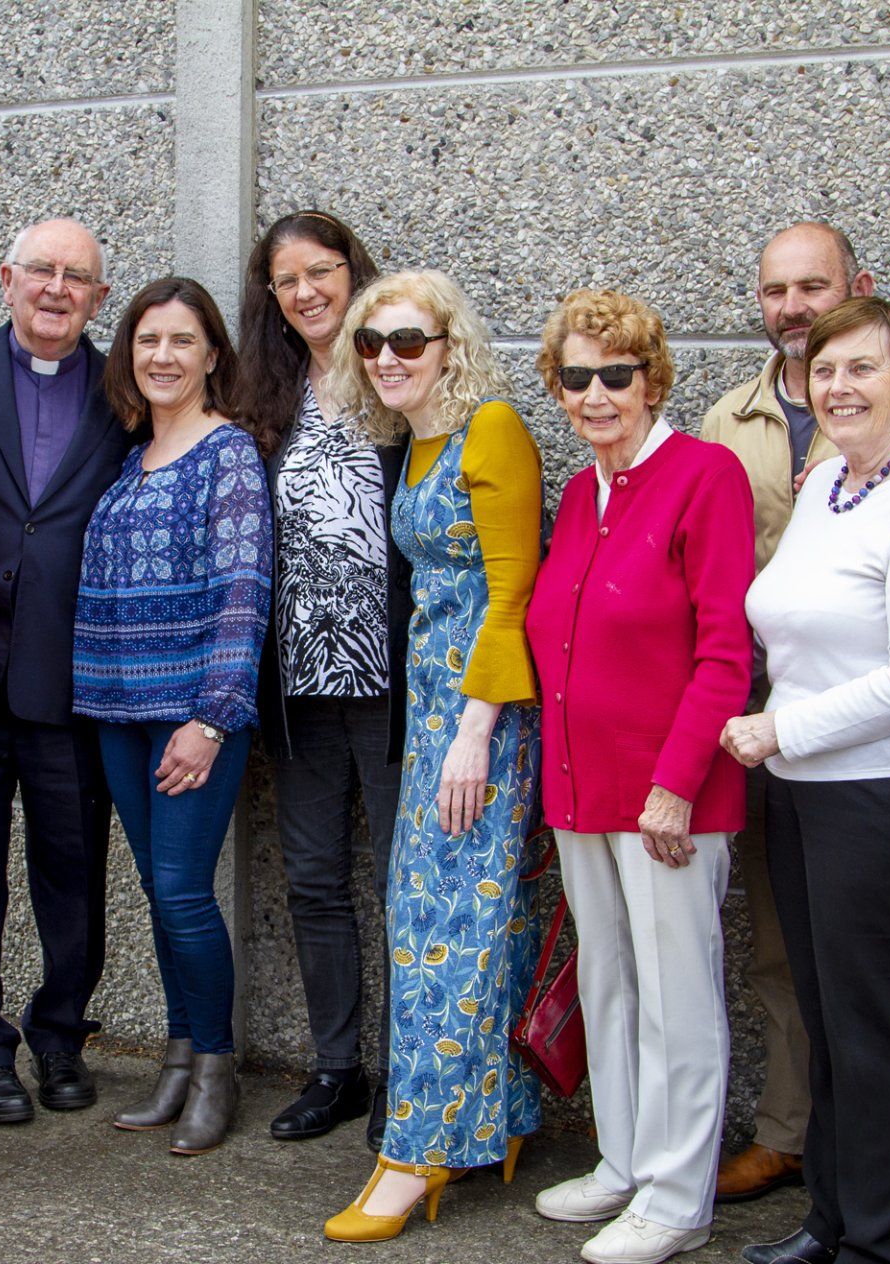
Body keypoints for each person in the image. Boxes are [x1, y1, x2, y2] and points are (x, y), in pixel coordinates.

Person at [699, 221, 890, 1204]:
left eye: (813, 288)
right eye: (776, 291)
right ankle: (819, 1183)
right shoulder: (773, 450)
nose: (794, 310)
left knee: (874, 1006)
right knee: (801, 975)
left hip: (882, 763)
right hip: (784, 748)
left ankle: (877, 1217)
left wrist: (787, 728)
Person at [529, 291, 755, 1264]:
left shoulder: (706, 476)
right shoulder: (584, 493)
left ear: (653, 379)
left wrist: (675, 784)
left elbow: (723, 653)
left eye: (614, 374)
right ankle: (624, 1159)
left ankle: (677, 1194)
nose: (594, 393)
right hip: (582, 789)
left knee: (677, 995)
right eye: (575, 377)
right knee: (611, 982)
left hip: (671, 798)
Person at [320, 271, 543, 1243]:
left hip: (479, 718)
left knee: (441, 926)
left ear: (450, 342)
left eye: (408, 339)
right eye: (371, 344)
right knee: (463, 916)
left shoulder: (490, 427)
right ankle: (498, 1122)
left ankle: (416, 1154)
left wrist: (474, 731)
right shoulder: (420, 441)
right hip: (437, 713)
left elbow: (512, 590)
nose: (388, 358)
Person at [0, 218, 129, 1123]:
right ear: (6, 279)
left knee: (72, 868)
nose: (57, 290)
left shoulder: (124, 391)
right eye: (41, 272)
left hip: (70, 675)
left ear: (98, 297)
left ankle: (59, 1036)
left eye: (77, 278)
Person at [73, 277, 270, 1154]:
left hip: (192, 713)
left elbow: (244, 592)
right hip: (116, 705)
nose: (162, 356)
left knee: (186, 891)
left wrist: (213, 715)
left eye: (182, 341)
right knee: (160, 889)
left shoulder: (226, 453)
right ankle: (180, 1057)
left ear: (211, 355)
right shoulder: (129, 458)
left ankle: (217, 1068)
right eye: (148, 340)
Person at [236, 210, 409, 1147]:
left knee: (396, 881)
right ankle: (336, 1068)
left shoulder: (396, 370)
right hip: (298, 682)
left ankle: (401, 1072)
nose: (307, 291)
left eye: (323, 271)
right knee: (312, 880)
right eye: (287, 279)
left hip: (389, 685)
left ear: (354, 273)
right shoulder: (267, 393)